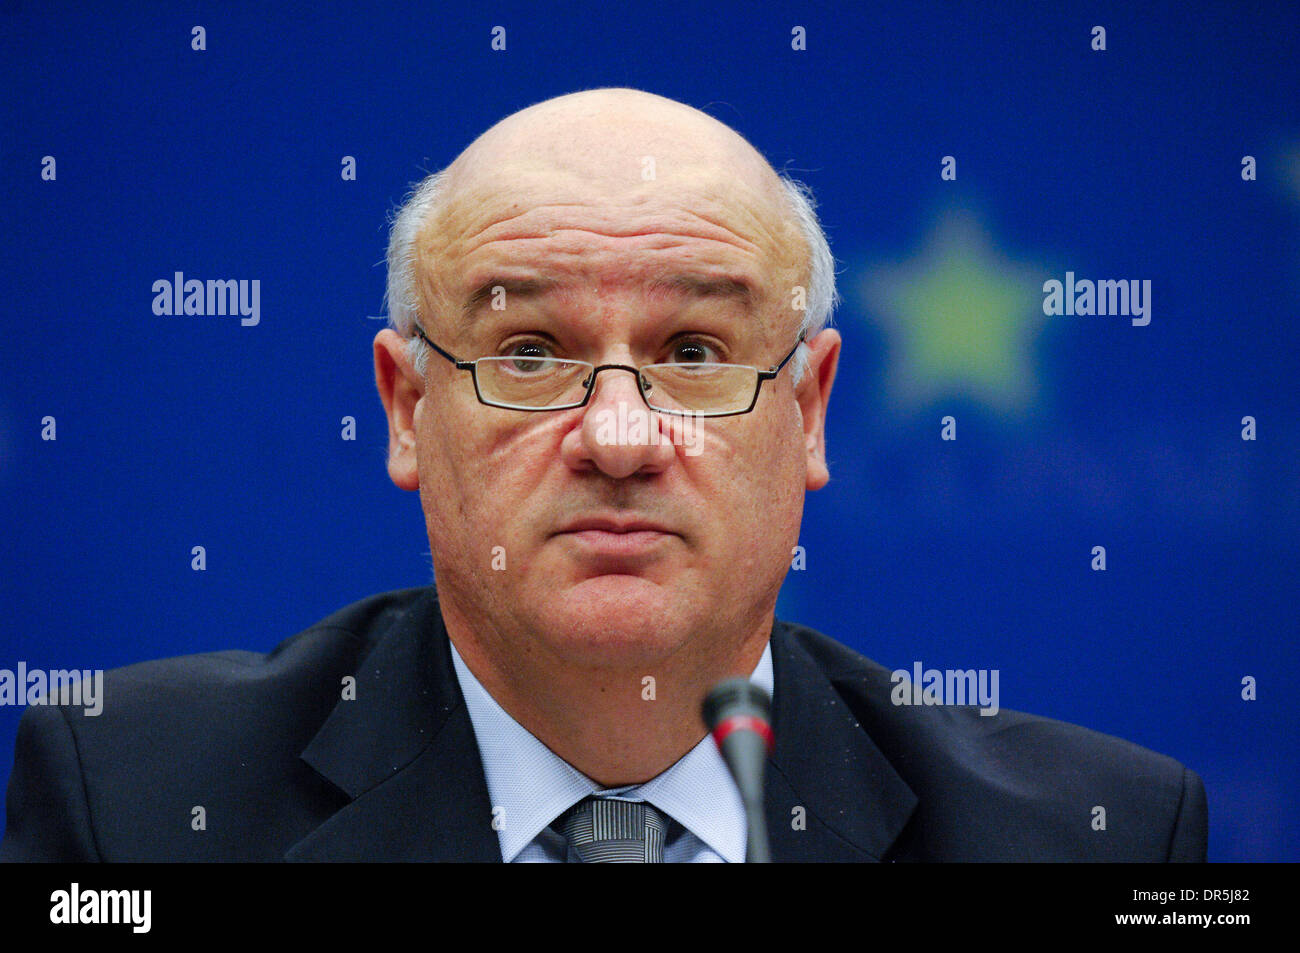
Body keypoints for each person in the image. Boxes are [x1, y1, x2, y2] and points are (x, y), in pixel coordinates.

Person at [1, 88, 1206, 862]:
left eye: (694, 353)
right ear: (408, 407)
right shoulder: (136, 805)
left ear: (808, 408)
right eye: (529, 353)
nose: (619, 437)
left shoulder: (1090, 836)